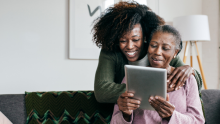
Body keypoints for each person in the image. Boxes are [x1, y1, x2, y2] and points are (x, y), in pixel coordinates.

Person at [92, 1, 203, 104]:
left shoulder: (157, 51)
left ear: (145, 37)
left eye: (136, 39)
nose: (130, 46)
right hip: (125, 112)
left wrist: (191, 70)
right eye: (122, 40)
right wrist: (152, 87)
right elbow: (102, 91)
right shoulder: (111, 51)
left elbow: (196, 85)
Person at [111, 25, 205, 124]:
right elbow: (114, 122)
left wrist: (171, 116)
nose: (157, 52)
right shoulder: (131, 76)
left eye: (165, 48)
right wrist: (125, 114)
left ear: (175, 53)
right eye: (153, 45)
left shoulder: (188, 80)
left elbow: (198, 121)